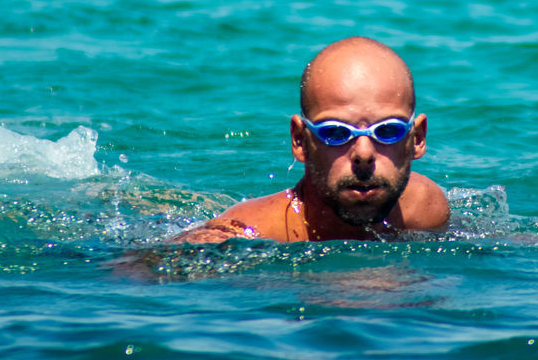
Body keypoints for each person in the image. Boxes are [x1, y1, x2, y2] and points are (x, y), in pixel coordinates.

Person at [172, 36, 450, 243]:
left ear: (417, 138)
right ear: (300, 141)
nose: (364, 154)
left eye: (387, 131)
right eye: (336, 132)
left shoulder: (427, 209)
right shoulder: (244, 236)